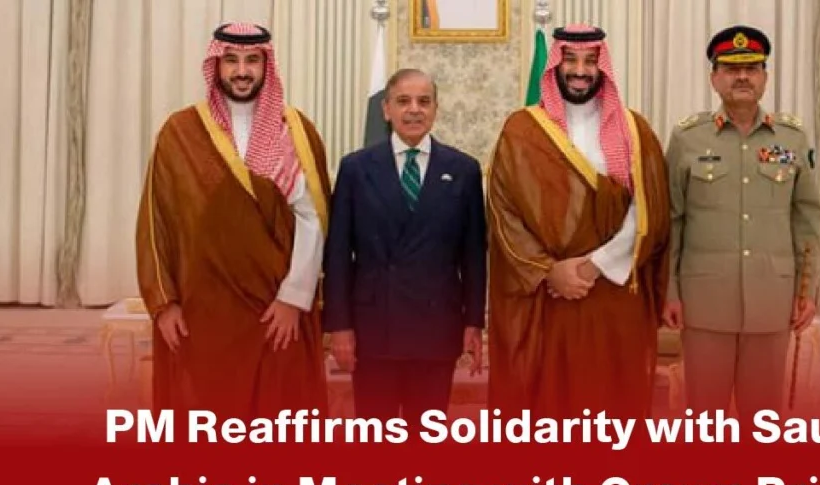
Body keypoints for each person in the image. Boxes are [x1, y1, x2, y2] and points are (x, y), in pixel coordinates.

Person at [135, 23, 332, 420]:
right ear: (216, 64)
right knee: (207, 419)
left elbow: (314, 220)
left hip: (276, 311)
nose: (242, 71)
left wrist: (294, 298)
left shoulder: (295, 130)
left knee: (280, 420)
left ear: (266, 66)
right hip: (203, 313)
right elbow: (157, 223)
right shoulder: (180, 132)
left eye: (252, 61)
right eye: (231, 60)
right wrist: (165, 303)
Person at [485, 24, 672, 420]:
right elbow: (504, 212)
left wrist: (592, 266)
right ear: (556, 65)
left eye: (590, 61)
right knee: (548, 409)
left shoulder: (635, 130)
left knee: (611, 402)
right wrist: (549, 271)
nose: (580, 70)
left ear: (603, 66)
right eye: (570, 60)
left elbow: (649, 211)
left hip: (613, 291)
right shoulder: (522, 129)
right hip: (547, 298)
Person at [662, 25, 820, 419]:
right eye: (731, 69)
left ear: (765, 77)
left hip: (773, 297)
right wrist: (669, 289)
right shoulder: (688, 139)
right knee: (705, 414)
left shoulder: (792, 138)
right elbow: (672, 219)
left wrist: (807, 287)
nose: (742, 77)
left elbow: (807, 218)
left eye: (752, 68)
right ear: (714, 77)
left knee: (763, 415)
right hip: (705, 300)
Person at [322, 69, 487, 427]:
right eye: (403, 101)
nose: (414, 110)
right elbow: (337, 256)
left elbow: (474, 256)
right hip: (372, 329)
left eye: (423, 101)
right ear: (385, 110)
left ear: (436, 109)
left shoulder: (463, 170)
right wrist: (339, 327)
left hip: (436, 329)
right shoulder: (355, 168)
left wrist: (474, 321)